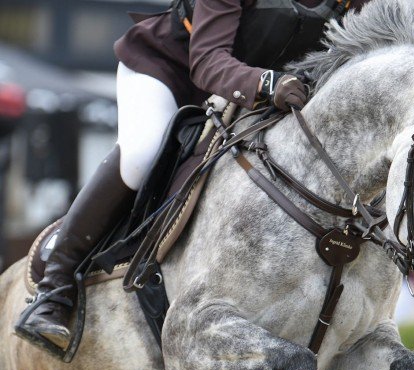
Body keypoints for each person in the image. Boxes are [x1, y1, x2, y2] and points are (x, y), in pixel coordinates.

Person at [17, 0, 368, 351]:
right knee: (142, 154)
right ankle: (55, 287)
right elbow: (207, 60)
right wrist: (264, 82)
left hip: (258, 100)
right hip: (170, 70)